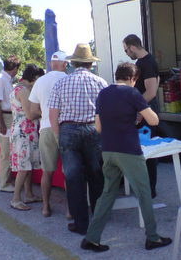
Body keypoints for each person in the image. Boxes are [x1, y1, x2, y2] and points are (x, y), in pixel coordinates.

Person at [81, 62, 172, 252]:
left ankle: (92, 237)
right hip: (129, 150)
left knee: (108, 193)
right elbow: (154, 120)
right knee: (144, 192)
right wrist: (139, 112)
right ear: (132, 78)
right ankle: (152, 237)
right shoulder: (132, 93)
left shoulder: (103, 93)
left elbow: (98, 127)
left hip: (108, 150)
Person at [48, 43, 107, 235]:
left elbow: (53, 115)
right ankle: (99, 218)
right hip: (93, 129)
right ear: (90, 64)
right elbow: (106, 113)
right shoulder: (100, 83)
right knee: (96, 175)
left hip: (68, 129)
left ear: (73, 64)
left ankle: (80, 223)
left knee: (73, 179)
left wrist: (59, 135)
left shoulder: (61, 83)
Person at [29, 51, 69, 217]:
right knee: (69, 170)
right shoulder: (68, 79)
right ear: (65, 64)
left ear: (51, 64)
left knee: (47, 171)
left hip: (45, 127)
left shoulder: (40, 81)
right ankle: (69, 210)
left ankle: (45, 207)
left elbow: (32, 111)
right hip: (66, 127)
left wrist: (45, 113)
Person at [123, 34, 160, 199]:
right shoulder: (142, 63)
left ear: (132, 47)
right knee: (141, 152)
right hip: (143, 111)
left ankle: (149, 190)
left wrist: (138, 109)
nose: (126, 54)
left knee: (148, 152)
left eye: (126, 50)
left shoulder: (148, 62)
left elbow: (151, 92)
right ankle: (144, 188)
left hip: (146, 112)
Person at [9, 64, 43, 211]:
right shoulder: (23, 91)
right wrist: (46, 112)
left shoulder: (19, 88)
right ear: (33, 78)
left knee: (28, 165)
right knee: (23, 167)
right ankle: (16, 199)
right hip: (24, 131)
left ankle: (29, 194)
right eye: (37, 79)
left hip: (24, 130)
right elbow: (30, 114)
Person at [0, 56, 21, 192]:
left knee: (8, 151)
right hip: (4, 117)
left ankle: (6, 181)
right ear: (15, 68)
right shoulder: (0, 80)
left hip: (8, 117)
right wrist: (1, 122)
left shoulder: (5, 80)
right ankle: (4, 183)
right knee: (6, 152)